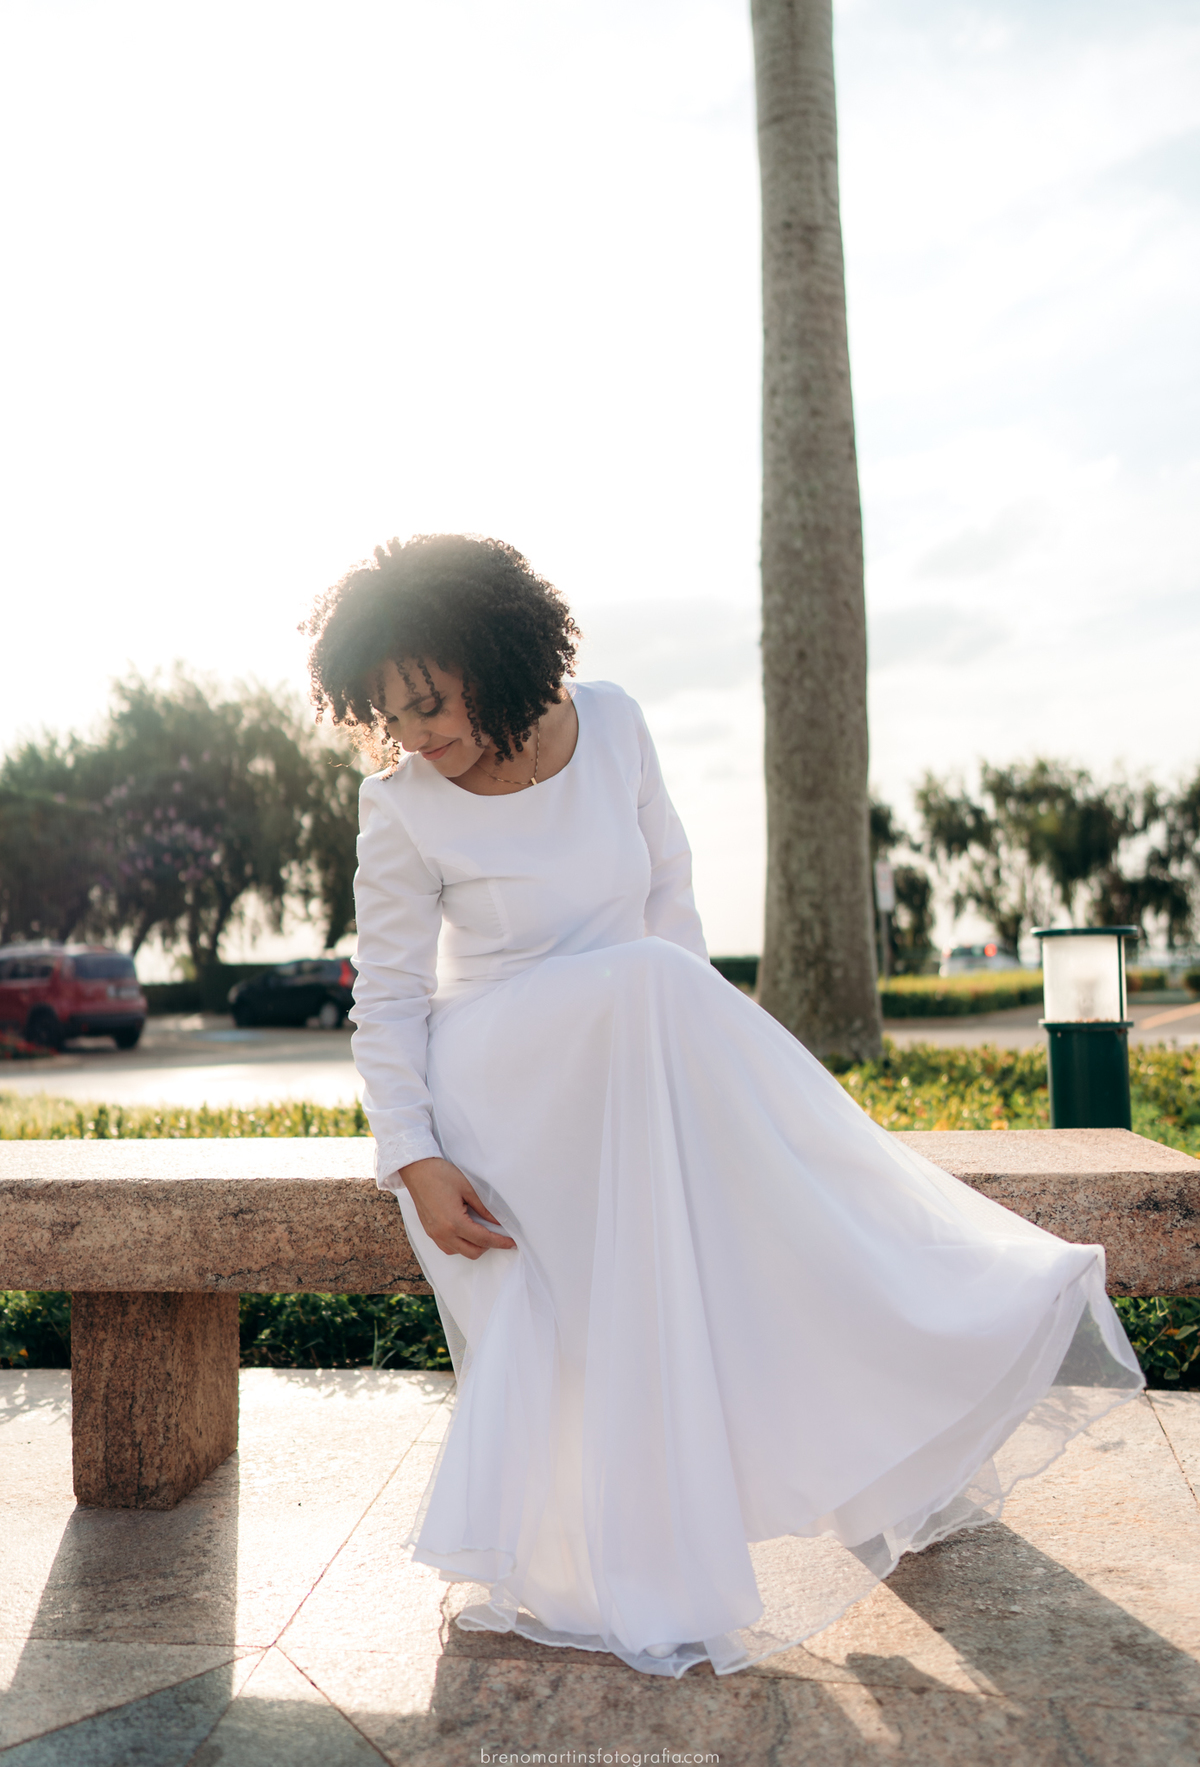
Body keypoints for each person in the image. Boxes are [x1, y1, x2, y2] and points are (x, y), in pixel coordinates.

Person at [303, 532, 1143, 1679]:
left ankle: (918, 1365)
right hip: (504, 1068)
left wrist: (693, 1080)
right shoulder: (400, 807)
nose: (417, 736)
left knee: (671, 1008)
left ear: (496, 660)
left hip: (642, 1056)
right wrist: (414, 1157)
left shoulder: (618, 726)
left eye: (432, 704)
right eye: (391, 716)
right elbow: (391, 999)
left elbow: (669, 907)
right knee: (656, 986)